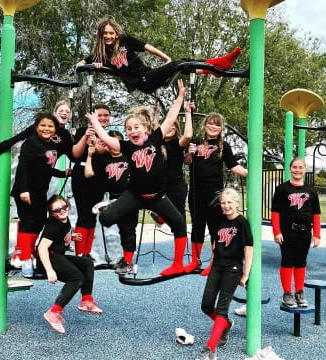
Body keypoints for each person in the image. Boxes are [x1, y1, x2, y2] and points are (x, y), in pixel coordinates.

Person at [87, 80, 188, 276]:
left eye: (136, 127)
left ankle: (177, 264)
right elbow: (107, 140)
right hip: (135, 194)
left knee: (179, 224)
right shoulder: (126, 146)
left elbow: (170, 117)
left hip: (157, 196)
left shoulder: (156, 138)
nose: (133, 131)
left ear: (146, 129)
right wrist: (95, 123)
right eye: (129, 129)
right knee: (106, 219)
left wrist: (180, 97)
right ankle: (110, 207)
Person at [75, 17, 242, 94]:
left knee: (181, 64)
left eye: (111, 33)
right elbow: (79, 65)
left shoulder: (125, 40)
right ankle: (217, 65)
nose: (108, 36)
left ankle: (213, 69)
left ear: (117, 34)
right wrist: (93, 65)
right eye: (105, 34)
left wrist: (167, 60)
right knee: (179, 64)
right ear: (101, 35)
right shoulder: (100, 54)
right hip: (142, 82)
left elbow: (150, 48)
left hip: (148, 74)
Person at [183, 112, 248, 274]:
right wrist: (189, 152)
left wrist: (251, 173)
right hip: (196, 193)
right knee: (197, 227)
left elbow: (233, 166)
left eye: (217, 124)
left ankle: (214, 262)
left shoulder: (223, 146)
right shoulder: (195, 142)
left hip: (215, 194)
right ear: (205, 125)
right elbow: (186, 162)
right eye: (210, 123)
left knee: (215, 228)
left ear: (221, 129)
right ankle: (194, 261)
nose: (213, 126)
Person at [10, 113, 72, 277]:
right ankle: (25, 259)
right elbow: (22, 167)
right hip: (26, 191)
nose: (46, 129)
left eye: (50, 126)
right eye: (43, 125)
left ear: (55, 129)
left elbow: (46, 168)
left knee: (39, 223)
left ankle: (32, 254)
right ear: (36, 127)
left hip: (39, 192)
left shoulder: (51, 146)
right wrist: (23, 190)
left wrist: (62, 173)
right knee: (27, 223)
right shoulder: (30, 144)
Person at [195, 188, 253, 360]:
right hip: (217, 267)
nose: (226, 206)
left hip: (232, 269)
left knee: (222, 308)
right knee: (206, 305)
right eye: (223, 203)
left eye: (229, 202)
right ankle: (226, 325)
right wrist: (210, 265)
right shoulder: (219, 221)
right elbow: (216, 245)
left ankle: (210, 349)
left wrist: (246, 274)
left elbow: (249, 248)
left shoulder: (242, 223)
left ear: (237, 203)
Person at [38, 195, 102, 335]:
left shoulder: (64, 220)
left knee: (87, 263)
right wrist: (49, 270)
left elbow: (59, 236)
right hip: (48, 259)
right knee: (77, 277)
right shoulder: (53, 226)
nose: (62, 211)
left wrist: (70, 237)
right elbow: (42, 247)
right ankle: (53, 312)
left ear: (67, 205)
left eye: (64, 206)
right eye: (57, 210)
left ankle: (86, 300)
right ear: (51, 213)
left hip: (58, 255)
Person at [85, 130, 138, 274]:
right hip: (114, 198)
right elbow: (89, 174)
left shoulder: (129, 157)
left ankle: (128, 261)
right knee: (121, 229)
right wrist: (90, 154)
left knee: (129, 229)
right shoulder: (104, 160)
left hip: (130, 197)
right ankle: (124, 258)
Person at [271, 157, 321, 308]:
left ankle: (299, 292)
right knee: (288, 260)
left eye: (300, 167)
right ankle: (287, 293)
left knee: (301, 261)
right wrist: (276, 232)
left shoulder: (311, 190)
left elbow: (316, 214)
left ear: (305, 169)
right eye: (294, 167)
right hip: (287, 231)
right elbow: (275, 212)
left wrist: (317, 235)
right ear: (290, 169)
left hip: (305, 232)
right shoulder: (282, 189)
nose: (297, 170)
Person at [71, 104, 111, 260]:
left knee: (93, 214)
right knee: (83, 215)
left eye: (105, 115)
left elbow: (109, 152)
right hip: (82, 177)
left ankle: (87, 252)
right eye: (99, 115)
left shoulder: (107, 135)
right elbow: (75, 154)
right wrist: (86, 137)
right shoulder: (83, 131)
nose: (102, 118)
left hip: (99, 178)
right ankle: (79, 253)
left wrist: (100, 146)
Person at [0, 100, 74, 159]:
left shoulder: (66, 136)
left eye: (67, 112)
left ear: (70, 116)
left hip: (45, 174)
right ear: (55, 113)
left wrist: (79, 138)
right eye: (61, 111)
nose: (64, 113)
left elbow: (73, 155)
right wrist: (3, 145)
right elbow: (21, 135)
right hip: (27, 170)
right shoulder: (42, 126)